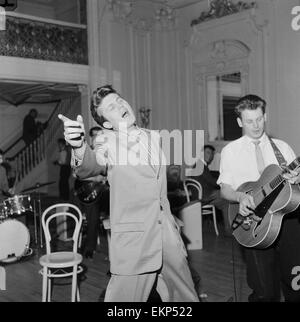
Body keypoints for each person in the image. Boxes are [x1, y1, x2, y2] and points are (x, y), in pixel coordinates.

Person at [59, 84, 199, 302]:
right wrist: (78, 146)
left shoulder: (154, 137)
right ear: (107, 123)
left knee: (185, 298)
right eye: (112, 107)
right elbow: (90, 166)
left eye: (120, 100)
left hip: (167, 233)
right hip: (135, 239)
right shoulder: (106, 141)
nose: (121, 105)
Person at [217, 94, 300, 302]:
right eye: (249, 121)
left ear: (265, 116)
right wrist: (239, 197)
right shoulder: (230, 151)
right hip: (254, 224)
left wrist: (296, 178)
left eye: (259, 119)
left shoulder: (282, 147)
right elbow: (225, 189)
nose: (256, 125)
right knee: (264, 292)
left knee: (295, 286)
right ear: (239, 122)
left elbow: (295, 186)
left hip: (288, 222)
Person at [73, 126, 109, 259]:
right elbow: (76, 174)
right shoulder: (85, 154)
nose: (96, 137)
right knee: (92, 213)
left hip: (106, 192)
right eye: (94, 135)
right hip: (90, 192)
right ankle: (89, 247)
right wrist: (96, 178)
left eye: (99, 135)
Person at [189, 145, 231, 236]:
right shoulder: (200, 165)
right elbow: (212, 182)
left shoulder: (199, 165)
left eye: (211, 153)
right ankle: (229, 230)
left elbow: (208, 181)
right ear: (202, 154)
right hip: (203, 196)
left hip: (201, 195)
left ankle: (229, 229)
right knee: (228, 196)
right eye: (207, 152)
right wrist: (226, 183)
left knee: (226, 201)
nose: (210, 155)